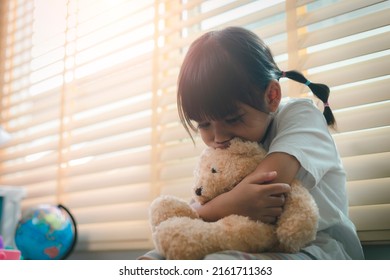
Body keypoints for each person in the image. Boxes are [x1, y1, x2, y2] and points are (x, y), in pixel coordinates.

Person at [140, 26, 364, 260]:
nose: (219, 138)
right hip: (249, 240)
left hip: (320, 245)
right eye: (204, 125)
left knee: (221, 264)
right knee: (158, 256)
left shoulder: (302, 115)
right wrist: (217, 207)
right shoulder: (223, 151)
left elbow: (268, 183)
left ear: (271, 96)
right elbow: (201, 206)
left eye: (233, 119)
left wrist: (210, 209)